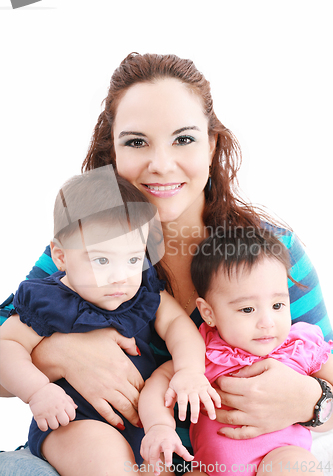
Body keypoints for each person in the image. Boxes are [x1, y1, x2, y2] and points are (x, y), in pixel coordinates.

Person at [0, 53, 332, 475]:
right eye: (136, 142)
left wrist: (312, 401)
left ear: (211, 146)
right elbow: (6, 350)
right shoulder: (86, 244)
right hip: (90, 447)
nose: (160, 164)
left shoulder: (267, 252)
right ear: (113, 152)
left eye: (184, 139)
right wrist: (60, 353)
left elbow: (323, 370)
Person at [0, 167, 220, 475]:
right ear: (61, 257)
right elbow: (6, 346)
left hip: (144, 424)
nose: (120, 276)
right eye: (102, 260)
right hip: (75, 422)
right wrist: (37, 391)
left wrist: (190, 371)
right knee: (108, 461)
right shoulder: (46, 298)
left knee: (166, 464)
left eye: (132, 259)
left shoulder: (142, 290)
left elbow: (177, 327)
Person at [138, 228, 333, 475]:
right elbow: (160, 383)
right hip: (209, 467)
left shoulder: (299, 345)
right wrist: (159, 425)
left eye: (277, 305)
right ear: (208, 313)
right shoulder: (203, 354)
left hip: (281, 455)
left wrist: (311, 400)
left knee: (292, 467)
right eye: (247, 309)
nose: (267, 322)